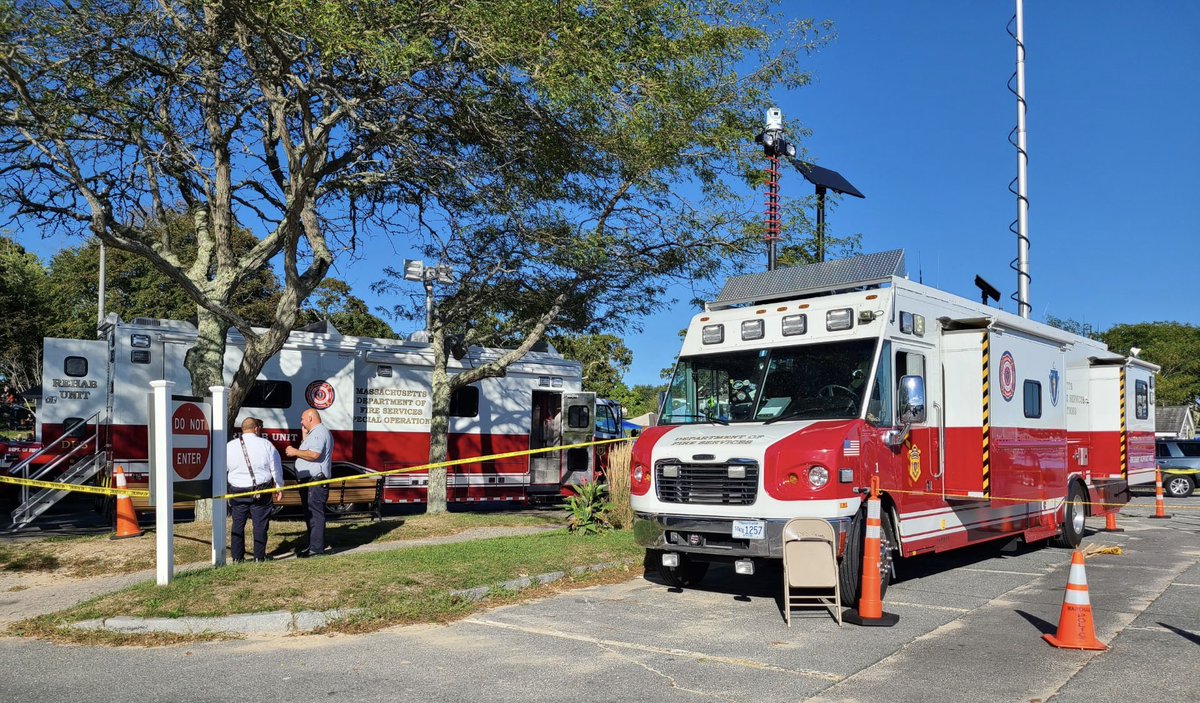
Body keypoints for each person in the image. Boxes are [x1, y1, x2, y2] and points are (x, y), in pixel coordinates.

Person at [225, 416, 283, 563]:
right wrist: (279, 486)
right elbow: (275, 468)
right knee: (260, 524)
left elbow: (223, 468)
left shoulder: (230, 446)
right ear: (256, 428)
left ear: (242, 429)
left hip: (238, 491)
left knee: (238, 524)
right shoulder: (266, 445)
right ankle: (259, 556)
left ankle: (237, 558)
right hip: (261, 490)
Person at [285, 409, 332, 558]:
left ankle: (317, 549)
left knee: (315, 515)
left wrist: (294, 451)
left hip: (315, 482)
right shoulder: (314, 434)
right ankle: (313, 546)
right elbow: (310, 450)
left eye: (302, 418)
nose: (301, 422)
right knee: (310, 515)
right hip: (310, 482)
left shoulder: (319, 432)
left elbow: (314, 454)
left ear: (311, 418)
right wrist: (304, 437)